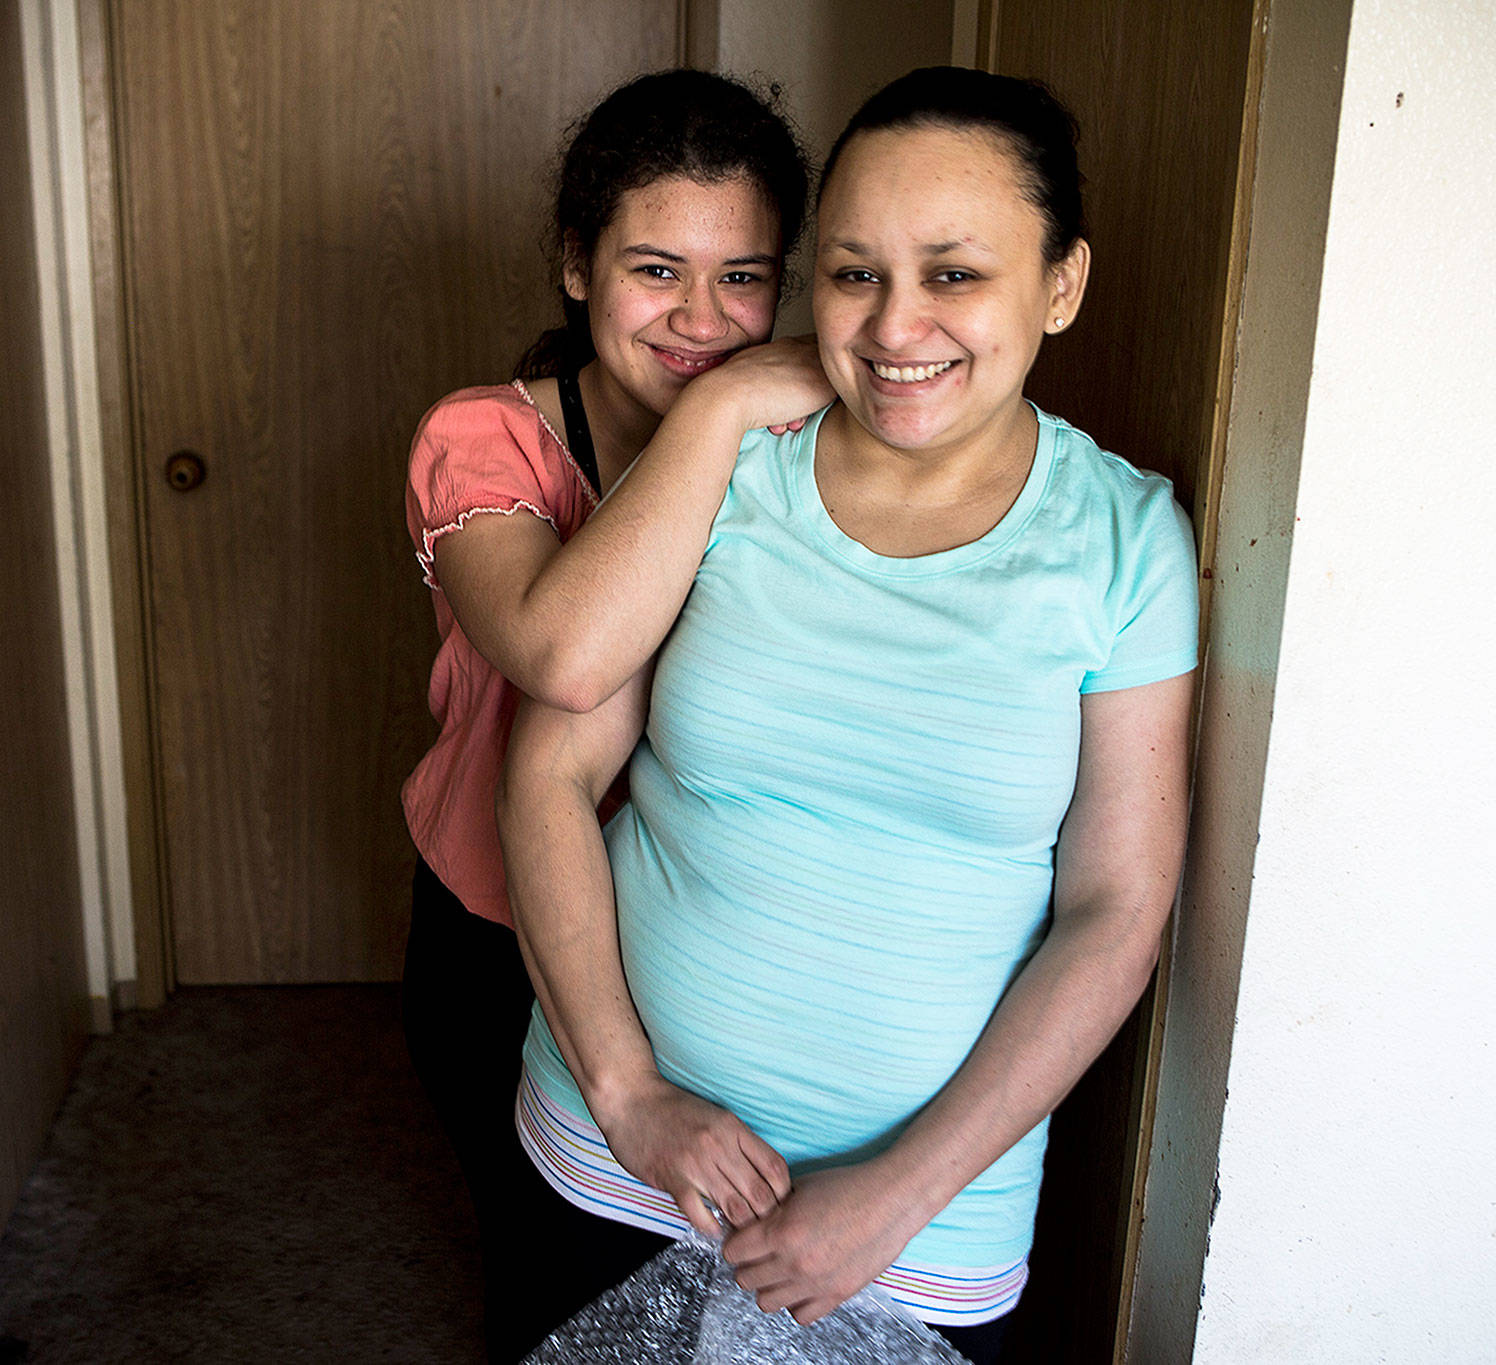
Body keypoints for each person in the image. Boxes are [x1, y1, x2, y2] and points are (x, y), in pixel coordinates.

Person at [498, 67, 1200, 1364]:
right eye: (855, 272)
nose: (894, 326)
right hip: (615, 1157)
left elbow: (1116, 910)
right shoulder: (729, 461)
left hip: (919, 1230)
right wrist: (628, 1091)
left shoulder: (1123, 543)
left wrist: (901, 1188)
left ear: (1062, 282)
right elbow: (548, 766)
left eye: (954, 274)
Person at [398, 69, 827, 1362]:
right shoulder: (483, 438)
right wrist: (727, 403)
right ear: (578, 264)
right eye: (657, 269)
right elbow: (562, 653)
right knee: (561, 1286)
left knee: (715, 1285)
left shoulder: (798, 450)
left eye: (744, 277)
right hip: (495, 925)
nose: (703, 317)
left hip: (701, 927)